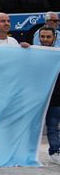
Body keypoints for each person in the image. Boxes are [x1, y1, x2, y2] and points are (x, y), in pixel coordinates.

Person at [37, 26, 60, 165]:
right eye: (42, 37)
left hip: (56, 98)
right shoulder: (33, 52)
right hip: (38, 99)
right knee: (35, 128)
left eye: (48, 37)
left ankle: (55, 151)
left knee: (53, 127)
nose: (45, 40)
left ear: (54, 38)